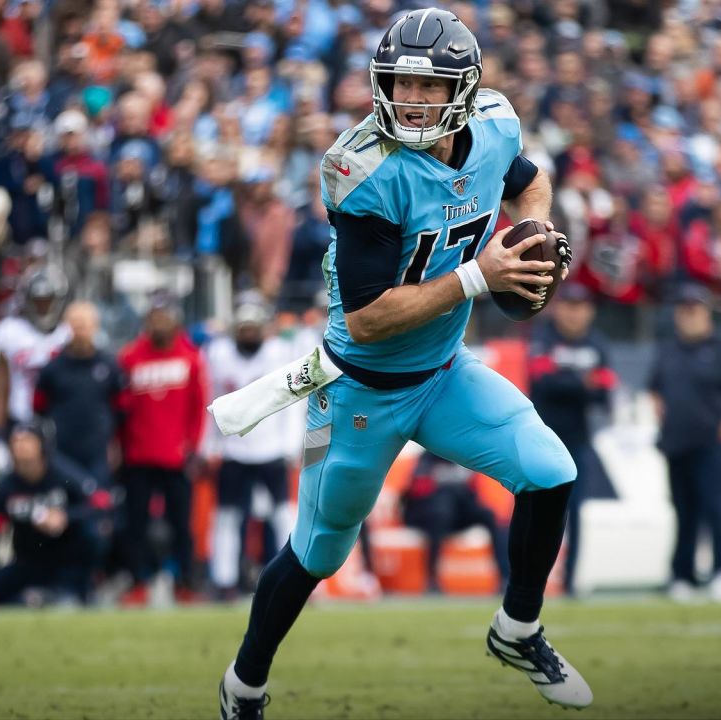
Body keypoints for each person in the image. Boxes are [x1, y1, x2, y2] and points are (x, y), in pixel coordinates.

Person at [217, 11, 589, 718]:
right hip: (360, 388)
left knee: (550, 470)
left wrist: (536, 230)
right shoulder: (364, 169)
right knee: (320, 551)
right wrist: (482, 277)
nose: (412, 99)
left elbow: (530, 184)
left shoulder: (493, 126)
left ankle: (517, 628)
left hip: (445, 374)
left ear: (464, 88)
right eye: (401, 83)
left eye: (428, 85)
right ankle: (245, 683)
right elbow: (367, 316)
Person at [647, 284, 721, 604]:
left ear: (707, 312)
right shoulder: (668, 348)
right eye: (684, 309)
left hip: (714, 443)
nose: (689, 315)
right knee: (684, 512)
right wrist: (659, 412)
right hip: (677, 443)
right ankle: (683, 575)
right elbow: (654, 387)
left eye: (695, 308)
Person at [117, 293, 207, 605]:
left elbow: (199, 408)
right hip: (138, 456)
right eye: (155, 316)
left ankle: (186, 583)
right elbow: (121, 408)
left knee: (181, 525)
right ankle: (139, 582)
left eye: (165, 316)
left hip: (175, 457)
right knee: (136, 524)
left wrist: (193, 447)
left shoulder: (191, 357)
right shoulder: (130, 358)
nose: (160, 322)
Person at [527, 283, 616, 597]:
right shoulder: (543, 336)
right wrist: (582, 382)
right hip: (541, 441)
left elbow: (605, 391)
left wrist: (567, 379)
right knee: (535, 513)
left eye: (581, 306)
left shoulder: (597, 342)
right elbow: (542, 381)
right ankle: (527, 581)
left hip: (578, 441)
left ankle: (571, 580)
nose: (574, 313)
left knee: (575, 513)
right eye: (569, 305)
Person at [203, 299, 296, 599]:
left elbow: (294, 401)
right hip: (233, 448)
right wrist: (211, 445)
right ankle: (224, 579)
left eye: (253, 328)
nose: (248, 334)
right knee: (227, 516)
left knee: (283, 514)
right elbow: (211, 399)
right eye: (243, 328)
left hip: (271, 447)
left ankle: (293, 577)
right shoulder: (218, 354)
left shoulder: (279, 353)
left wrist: (290, 444)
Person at [0, 423, 96, 608]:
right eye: (16, 441)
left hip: (65, 560)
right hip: (27, 560)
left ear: (41, 445)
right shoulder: (7, 486)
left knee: (93, 536)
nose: (21, 446)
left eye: (27, 440)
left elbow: (96, 506)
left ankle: (79, 591)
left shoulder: (63, 474)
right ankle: (31, 598)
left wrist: (65, 516)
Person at [33, 301, 126, 491]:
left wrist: (116, 444)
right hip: (63, 450)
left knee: (96, 504)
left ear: (95, 326)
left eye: (84, 325)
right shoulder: (53, 368)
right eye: (75, 325)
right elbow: (39, 406)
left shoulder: (109, 366)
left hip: (98, 450)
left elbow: (121, 408)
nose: (80, 330)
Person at [0, 267, 70, 467]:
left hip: (60, 418)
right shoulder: (10, 332)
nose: (43, 307)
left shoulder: (68, 333)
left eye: (48, 300)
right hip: (21, 418)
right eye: (38, 301)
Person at [400, 452, 509, 594]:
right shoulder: (429, 455)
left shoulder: (466, 455)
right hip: (428, 515)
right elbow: (416, 490)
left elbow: (472, 494)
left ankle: (505, 578)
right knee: (439, 514)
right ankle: (432, 580)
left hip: (458, 513)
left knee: (490, 516)